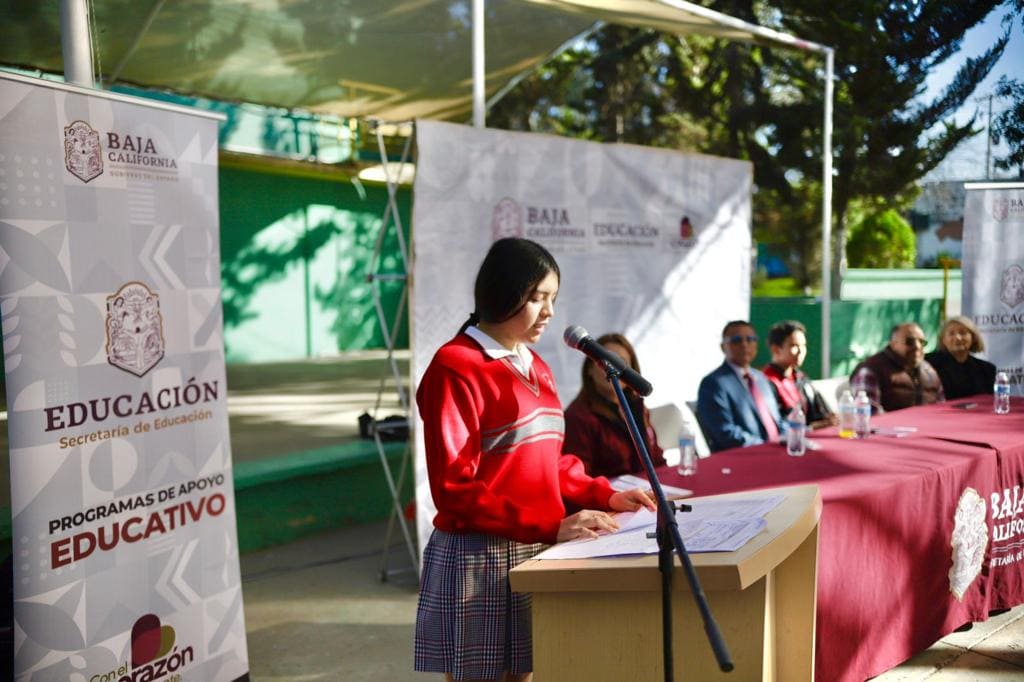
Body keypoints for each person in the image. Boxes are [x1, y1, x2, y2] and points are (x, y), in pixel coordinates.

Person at [413, 237, 655, 682]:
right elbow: (454, 489)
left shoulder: (535, 364)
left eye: (553, 299)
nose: (549, 312)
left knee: (530, 674)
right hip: (481, 555)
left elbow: (552, 460)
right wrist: (551, 525)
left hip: (536, 547)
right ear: (502, 293)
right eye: (537, 297)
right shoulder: (456, 366)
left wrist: (606, 495)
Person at [563, 333, 666, 478]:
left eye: (620, 362)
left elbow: (655, 457)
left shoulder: (637, 407)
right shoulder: (578, 417)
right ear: (589, 370)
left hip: (647, 492)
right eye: (603, 361)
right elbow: (580, 478)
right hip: (612, 497)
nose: (611, 368)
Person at [697, 320, 782, 453]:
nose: (744, 344)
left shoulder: (761, 378)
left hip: (777, 451)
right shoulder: (713, 383)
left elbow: (777, 421)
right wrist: (767, 447)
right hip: (745, 457)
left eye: (750, 339)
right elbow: (725, 433)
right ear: (723, 347)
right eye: (736, 340)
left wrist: (796, 433)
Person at [850, 322, 944, 413]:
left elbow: (941, 405)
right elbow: (869, 412)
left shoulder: (928, 370)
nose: (917, 346)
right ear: (893, 344)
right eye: (910, 341)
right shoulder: (871, 369)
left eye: (922, 342)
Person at [762, 320, 836, 428]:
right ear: (776, 349)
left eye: (803, 345)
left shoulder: (801, 378)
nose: (801, 351)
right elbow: (776, 425)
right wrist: (811, 428)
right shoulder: (766, 382)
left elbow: (822, 412)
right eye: (794, 346)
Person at [925, 316, 997, 400]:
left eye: (963, 333)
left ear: (973, 338)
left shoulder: (987, 369)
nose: (958, 338)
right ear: (943, 339)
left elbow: (988, 402)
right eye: (951, 333)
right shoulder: (929, 364)